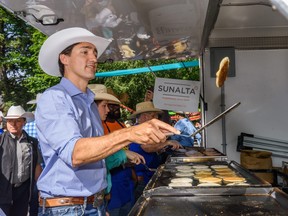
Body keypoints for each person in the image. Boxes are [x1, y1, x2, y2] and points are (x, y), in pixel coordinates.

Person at [36, 27, 179, 215]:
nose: (94, 58)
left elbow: (98, 155)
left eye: (95, 53)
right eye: (85, 52)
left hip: (93, 204)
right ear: (65, 59)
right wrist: (130, 133)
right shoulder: (55, 98)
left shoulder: (88, 101)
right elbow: (75, 153)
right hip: (67, 208)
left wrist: (99, 202)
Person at [129, 101, 181, 200]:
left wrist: (161, 149)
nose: (157, 119)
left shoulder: (145, 130)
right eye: (154, 116)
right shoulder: (138, 130)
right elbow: (147, 148)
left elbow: (151, 149)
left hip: (149, 173)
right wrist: (166, 143)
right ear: (144, 117)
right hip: (142, 176)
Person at [0, 105, 42, 216]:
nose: (13, 124)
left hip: (23, 191)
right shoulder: (0, 141)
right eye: (10, 121)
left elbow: (37, 166)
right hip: (3, 191)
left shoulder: (32, 142)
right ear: (6, 123)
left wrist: (41, 188)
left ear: (24, 122)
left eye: (17, 121)